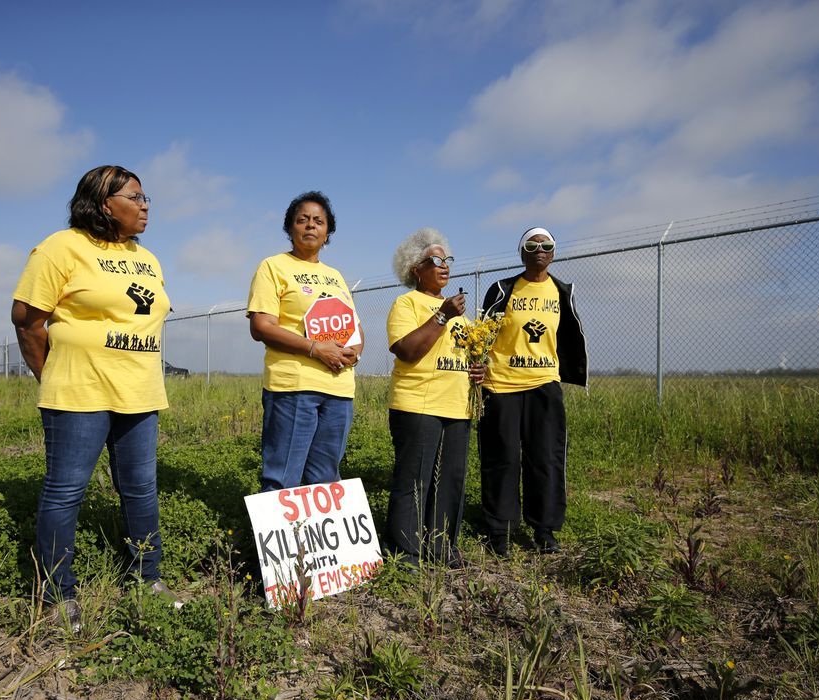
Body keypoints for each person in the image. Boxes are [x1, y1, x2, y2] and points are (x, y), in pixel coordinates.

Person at [11, 165, 179, 627]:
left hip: (140, 392)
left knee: (141, 489)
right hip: (78, 392)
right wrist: (54, 376)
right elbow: (28, 321)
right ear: (106, 203)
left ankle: (149, 579)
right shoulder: (61, 247)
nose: (146, 205)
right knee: (66, 493)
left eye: (147, 199)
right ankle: (56, 595)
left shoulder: (146, 257)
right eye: (136, 197)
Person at [478, 227, 587, 556]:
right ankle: (500, 530)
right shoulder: (502, 289)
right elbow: (482, 334)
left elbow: (567, 336)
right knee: (502, 459)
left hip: (544, 386)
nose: (539, 249)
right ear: (521, 252)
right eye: (532, 245)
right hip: (501, 385)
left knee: (545, 459)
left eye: (546, 245)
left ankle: (545, 529)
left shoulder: (562, 291)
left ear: (553, 253)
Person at [247, 191, 363, 491]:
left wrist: (354, 352)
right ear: (290, 228)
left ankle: (312, 539)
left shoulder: (335, 276)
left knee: (325, 478)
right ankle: (279, 538)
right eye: (303, 220)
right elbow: (261, 326)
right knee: (282, 477)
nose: (311, 226)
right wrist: (314, 348)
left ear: (328, 232)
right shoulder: (273, 267)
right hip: (293, 387)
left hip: (338, 389)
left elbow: (355, 328)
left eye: (319, 221)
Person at [385, 228, 485, 567]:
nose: (444, 266)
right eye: (436, 260)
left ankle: (442, 546)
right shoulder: (406, 304)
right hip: (418, 405)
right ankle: (406, 552)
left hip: (457, 407)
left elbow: (468, 358)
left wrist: (478, 371)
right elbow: (407, 351)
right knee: (415, 479)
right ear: (416, 268)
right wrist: (441, 315)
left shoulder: (463, 318)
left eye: (447, 260)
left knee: (449, 482)